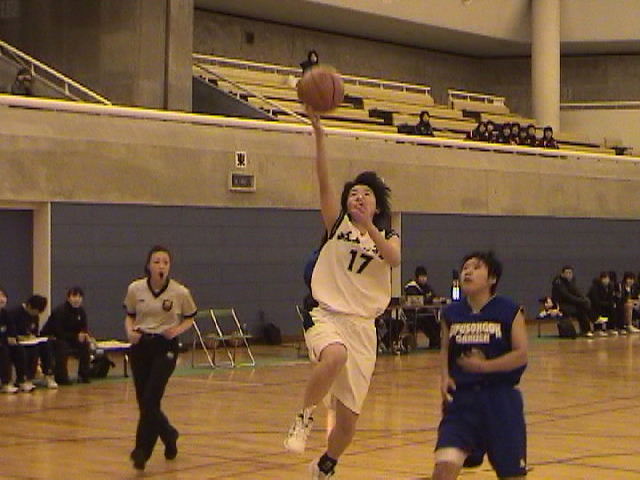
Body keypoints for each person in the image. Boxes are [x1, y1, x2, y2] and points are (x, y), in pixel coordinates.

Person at [284, 107, 401, 479]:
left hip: (363, 327)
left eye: (366, 194)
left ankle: (325, 466)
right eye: (354, 194)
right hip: (327, 314)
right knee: (334, 355)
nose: (358, 197)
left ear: (377, 206)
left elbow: (394, 258)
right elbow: (323, 180)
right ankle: (304, 417)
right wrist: (319, 135)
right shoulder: (336, 226)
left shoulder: (388, 236)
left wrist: (371, 229)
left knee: (348, 423)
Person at [431, 251, 528, 480]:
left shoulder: (509, 310)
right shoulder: (451, 313)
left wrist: (485, 367)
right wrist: (444, 376)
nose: (468, 272)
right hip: (461, 402)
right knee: (443, 470)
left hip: (500, 401)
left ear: (492, 278)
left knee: (512, 475)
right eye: (465, 267)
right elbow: (445, 349)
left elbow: (521, 355)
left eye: (476, 268)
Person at [124, 245, 198, 470]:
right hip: (141, 345)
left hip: (165, 346)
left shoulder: (180, 292)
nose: (161, 266)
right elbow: (130, 315)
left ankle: (142, 451)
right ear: (148, 265)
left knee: (151, 398)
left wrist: (176, 330)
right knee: (144, 401)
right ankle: (168, 433)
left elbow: (190, 317)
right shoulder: (135, 289)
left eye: (165, 262)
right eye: (156, 261)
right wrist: (130, 332)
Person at [42, 287, 92, 384]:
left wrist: (84, 334)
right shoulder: (60, 311)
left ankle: (83, 375)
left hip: (71, 338)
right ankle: (61, 378)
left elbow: (84, 326)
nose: (77, 299)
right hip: (54, 338)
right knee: (62, 347)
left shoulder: (81, 311)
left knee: (85, 345)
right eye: (74, 296)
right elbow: (58, 332)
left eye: (79, 297)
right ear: (68, 298)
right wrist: (75, 336)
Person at [7, 294, 55, 390]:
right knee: (27, 350)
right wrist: (20, 337)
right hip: (17, 343)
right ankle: (23, 379)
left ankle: (48, 374)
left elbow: (34, 331)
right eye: (34, 311)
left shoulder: (35, 316)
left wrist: (33, 337)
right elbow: (10, 332)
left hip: (30, 341)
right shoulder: (14, 314)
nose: (35, 314)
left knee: (45, 345)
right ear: (29, 306)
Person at [404, 266, 445, 349]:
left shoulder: (426, 287)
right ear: (417, 277)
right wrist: (429, 299)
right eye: (421, 277)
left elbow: (432, 295)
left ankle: (435, 341)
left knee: (435, 320)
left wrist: (437, 299)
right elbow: (417, 300)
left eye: (425, 277)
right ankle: (435, 340)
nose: (423, 279)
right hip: (413, 315)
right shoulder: (411, 287)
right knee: (427, 320)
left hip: (424, 313)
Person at [552, 266, 594, 337]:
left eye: (570, 273)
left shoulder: (571, 281)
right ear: (562, 274)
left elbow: (576, 291)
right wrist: (580, 301)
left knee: (583, 306)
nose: (569, 274)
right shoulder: (558, 283)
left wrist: (584, 299)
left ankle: (586, 330)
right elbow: (566, 296)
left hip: (570, 303)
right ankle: (594, 319)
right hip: (560, 305)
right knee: (580, 308)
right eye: (567, 273)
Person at [0, 287, 18, 393]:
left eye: (3, 296)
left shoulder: (6, 314)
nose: (1, 299)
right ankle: (5, 383)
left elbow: (12, 330)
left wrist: (12, 337)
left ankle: (23, 380)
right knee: (4, 352)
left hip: (4, 343)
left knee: (19, 349)